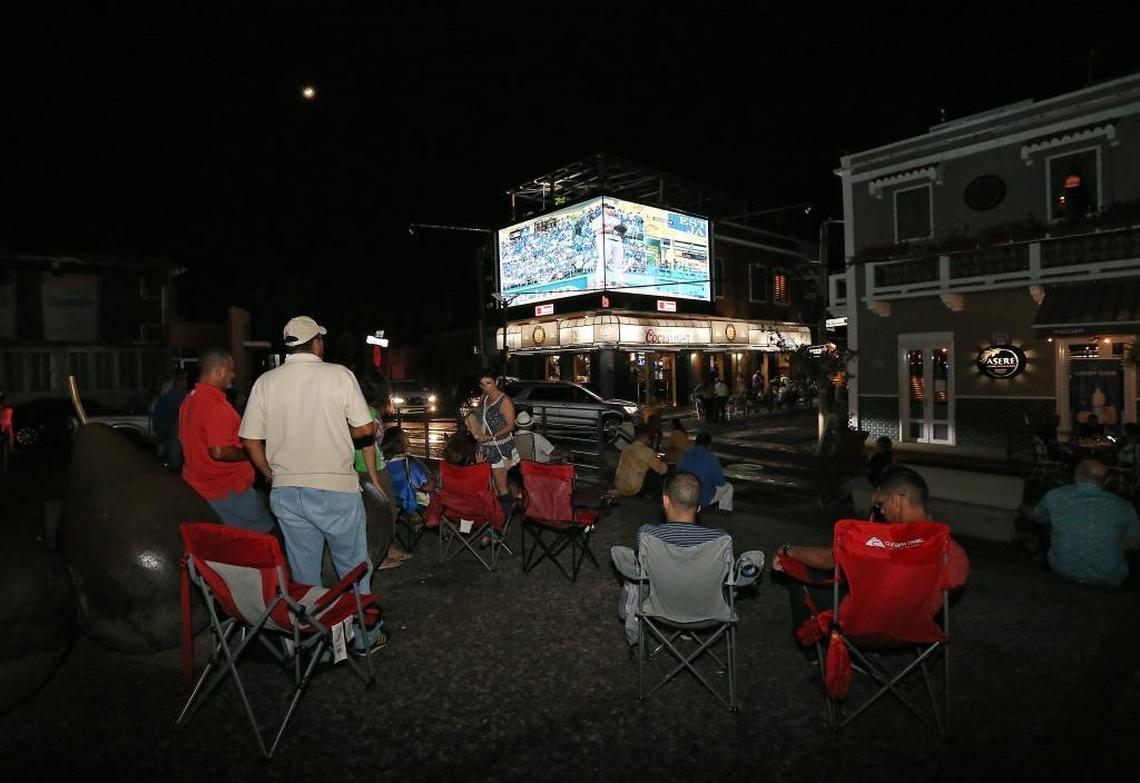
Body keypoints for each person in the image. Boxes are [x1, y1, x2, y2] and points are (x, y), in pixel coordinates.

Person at [239, 315, 386, 655]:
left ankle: (315, 639)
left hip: (287, 492)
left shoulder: (266, 382)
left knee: (304, 576)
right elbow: (365, 431)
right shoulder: (338, 375)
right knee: (353, 568)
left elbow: (249, 439)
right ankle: (363, 636)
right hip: (334, 489)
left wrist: (268, 473)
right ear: (317, 343)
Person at [772, 467, 969, 636]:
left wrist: (790, 550)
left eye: (879, 505)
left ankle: (813, 655)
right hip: (914, 626)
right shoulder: (951, 551)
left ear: (896, 501)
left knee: (801, 575)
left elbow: (828, 559)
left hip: (864, 626)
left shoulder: (880, 544)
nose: (880, 512)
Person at [615, 472, 729, 644]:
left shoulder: (647, 535)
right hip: (708, 613)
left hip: (660, 609)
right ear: (699, 507)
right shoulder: (720, 539)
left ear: (665, 501)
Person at [178, 347, 275, 533]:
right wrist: (252, 451)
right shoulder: (215, 405)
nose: (233, 375)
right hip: (226, 490)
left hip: (198, 486)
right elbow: (219, 451)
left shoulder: (190, 400)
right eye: (230, 370)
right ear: (219, 371)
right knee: (267, 538)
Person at [1031, 459, 1140, 587]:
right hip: (1109, 576)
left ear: (1077, 476)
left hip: (1063, 569)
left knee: (1049, 526)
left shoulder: (1054, 495)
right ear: (1106, 481)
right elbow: (1134, 544)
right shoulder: (1125, 506)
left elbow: (1038, 518)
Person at [355, 379, 410, 571]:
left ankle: (388, 548)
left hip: (367, 466)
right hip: (370, 468)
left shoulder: (366, 410)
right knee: (384, 511)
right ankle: (378, 554)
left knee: (379, 511)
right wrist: (376, 479)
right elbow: (367, 446)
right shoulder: (367, 413)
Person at [472, 370, 519, 497]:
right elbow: (479, 418)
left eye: (489, 383)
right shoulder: (484, 397)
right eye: (483, 384)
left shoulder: (505, 400)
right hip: (484, 447)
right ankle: (494, 512)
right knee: (489, 485)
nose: (486, 387)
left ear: (496, 382)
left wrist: (492, 436)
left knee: (501, 486)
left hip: (498, 447)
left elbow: (511, 425)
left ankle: (505, 513)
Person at [380, 426, 436, 514]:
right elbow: (428, 487)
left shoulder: (382, 463)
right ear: (400, 442)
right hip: (411, 504)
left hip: (393, 502)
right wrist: (434, 478)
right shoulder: (409, 463)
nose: (408, 439)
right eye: (405, 435)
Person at [677, 432, 733, 512]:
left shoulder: (685, 455)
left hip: (684, 493)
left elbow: (678, 473)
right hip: (702, 497)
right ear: (709, 446)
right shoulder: (712, 459)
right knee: (729, 488)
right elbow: (720, 483)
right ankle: (724, 514)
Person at [614, 424, 669, 497]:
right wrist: (664, 460)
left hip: (619, 485)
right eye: (649, 439)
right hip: (632, 488)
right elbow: (662, 470)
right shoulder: (646, 451)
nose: (649, 442)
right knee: (660, 477)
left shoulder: (626, 448)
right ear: (645, 438)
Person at [153, 369, 188, 471]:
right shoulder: (175, 394)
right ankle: (173, 466)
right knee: (173, 441)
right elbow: (183, 409)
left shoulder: (179, 393)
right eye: (182, 380)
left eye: (185, 379)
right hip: (165, 421)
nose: (185, 382)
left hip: (166, 421)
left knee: (167, 443)